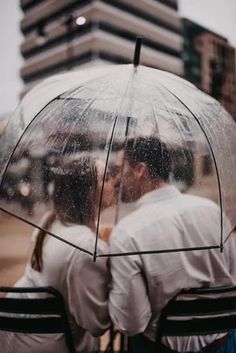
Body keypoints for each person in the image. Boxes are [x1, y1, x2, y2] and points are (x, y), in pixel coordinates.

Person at [108, 137, 236, 353]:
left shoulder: (127, 233)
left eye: (120, 170)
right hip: (224, 345)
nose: (117, 179)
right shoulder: (212, 211)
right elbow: (230, 277)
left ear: (140, 170)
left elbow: (132, 323)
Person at [1, 156, 110, 353]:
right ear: (89, 192)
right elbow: (96, 324)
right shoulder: (86, 247)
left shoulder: (50, 221)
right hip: (51, 345)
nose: (115, 182)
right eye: (107, 178)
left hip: (15, 335)